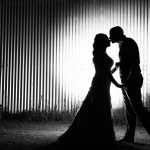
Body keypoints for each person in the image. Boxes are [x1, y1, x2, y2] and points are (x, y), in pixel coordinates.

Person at [48, 33, 123, 150]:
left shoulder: (101, 54)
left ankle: (95, 136)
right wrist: (117, 84)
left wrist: (115, 69)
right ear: (103, 42)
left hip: (102, 83)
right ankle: (100, 137)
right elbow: (106, 74)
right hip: (100, 85)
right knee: (100, 107)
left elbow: (106, 73)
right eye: (106, 38)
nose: (109, 39)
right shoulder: (101, 55)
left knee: (97, 107)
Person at [109, 26, 150, 143]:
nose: (110, 38)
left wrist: (128, 80)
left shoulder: (129, 43)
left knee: (138, 109)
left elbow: (134, 64)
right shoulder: (122, 44)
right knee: (130, 110)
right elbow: (128, 61)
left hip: (131, 81)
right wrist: (120, 63)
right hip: (126, 82)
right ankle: (129, 136)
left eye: (111, 35)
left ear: (118, 34)